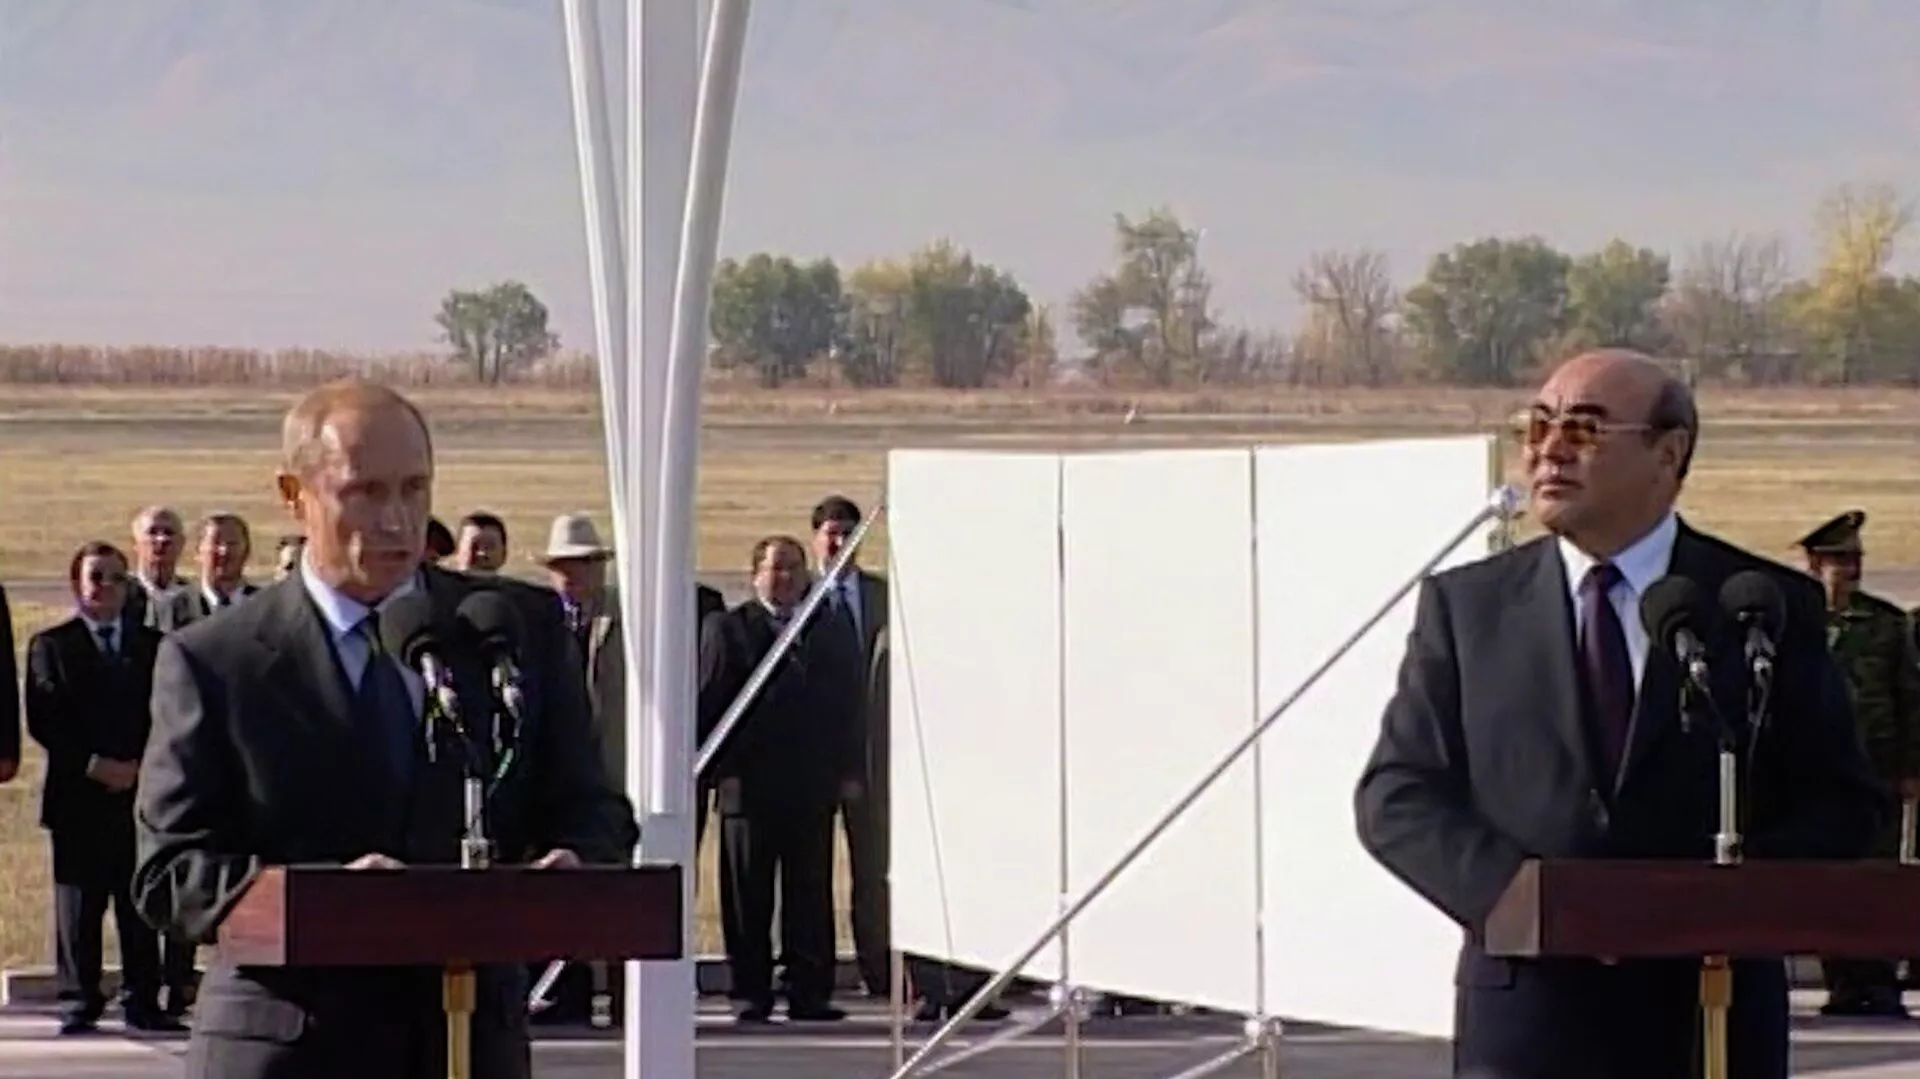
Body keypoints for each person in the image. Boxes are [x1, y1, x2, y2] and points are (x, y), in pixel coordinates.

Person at [1353, 349, 1882, 1079]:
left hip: (1709, 1012)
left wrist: (1717, 903)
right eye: (1537, 426)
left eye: (1585, 428)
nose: (1549, 450)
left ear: (1668, 453)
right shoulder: (1468, 607)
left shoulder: (1758, 604)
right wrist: (1520, 897)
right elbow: (1397, 794)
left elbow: (1843, 801)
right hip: (1529, 1017)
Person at [131, 378, 638, 1079]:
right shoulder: (217, 660)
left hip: (466, 1041)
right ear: (294, 494)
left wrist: (575, 862)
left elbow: (594, 809)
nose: (397, 520)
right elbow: (170, 871)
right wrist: (325, 897)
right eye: (365, 492)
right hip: (290, 1047)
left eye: (414, 489)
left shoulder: (508, 628)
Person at [699, 536, 862, 1023]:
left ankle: (809, 990)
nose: (786, 578)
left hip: (810, 785)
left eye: (794, 568)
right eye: (776, 568)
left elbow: (847, 706)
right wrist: (721, 772)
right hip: (747, 789)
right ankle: (750, 991)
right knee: (747, 897)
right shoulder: (729, 629)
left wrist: (847, 771)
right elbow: (710, 703)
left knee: (809, 893)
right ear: (756, 575)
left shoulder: (825, 627)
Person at [25, 542, 178, 1034]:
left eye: (116, 578)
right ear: (77, 585)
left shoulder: (155, 647)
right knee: (79, 906)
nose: (106, 588)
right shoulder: (52, 646)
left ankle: (142, 999)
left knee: (139, 903)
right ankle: (79, 999)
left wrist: (140, 766)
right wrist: (93, 765)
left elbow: (170, 714)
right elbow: (46, 718)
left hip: (139, 793)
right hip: (78, 795)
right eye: (96, 577)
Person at [1795, 509, 1920, 1015]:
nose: (1850, 570)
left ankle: (1879, 982)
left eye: (1855, 560)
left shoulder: (1885, 624)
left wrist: (1911, 766)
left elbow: (1909, 696)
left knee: (1877, 875)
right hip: (1815, 774)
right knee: (1827, 880)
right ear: (1813, 563)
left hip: (1875, 770)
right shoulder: (1795, 621)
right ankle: (1843, 981)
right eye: (1839, 561)